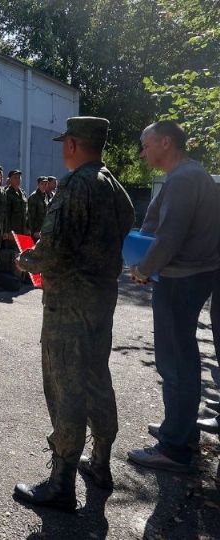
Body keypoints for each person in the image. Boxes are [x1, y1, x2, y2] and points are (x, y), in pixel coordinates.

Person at [13, 116, 134, 510]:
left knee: (66, 385)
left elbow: (55, 247)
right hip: (101, 301)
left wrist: (25, 259)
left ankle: (61, 482)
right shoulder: (116, 188)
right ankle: (100, 463)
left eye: (65, 142)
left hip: (69, 305)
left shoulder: (75, 184)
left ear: (73, 144)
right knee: (98, 377)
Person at [126, 120, 220, 472]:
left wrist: (142, 269)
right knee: (184, 357)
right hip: (196, 275)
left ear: (166, 142)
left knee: (176, 361)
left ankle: (174, 447)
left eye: (145, 144)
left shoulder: (182, 180)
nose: (142, 151)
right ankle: (180, 430)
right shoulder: (197, 174)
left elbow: (169, 237)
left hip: (180, 279)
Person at [4, 169, 28, 237]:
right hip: (12, 232)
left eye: (19, 177)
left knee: (26, 248)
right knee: (12, 248)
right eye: (15, 177)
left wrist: (28, 228)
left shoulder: (23, 193)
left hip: (23, 231)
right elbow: (6, 215)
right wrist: (8, 231)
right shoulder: (6, 193)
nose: (18, 180)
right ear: (10, 180)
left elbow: (26, 212)